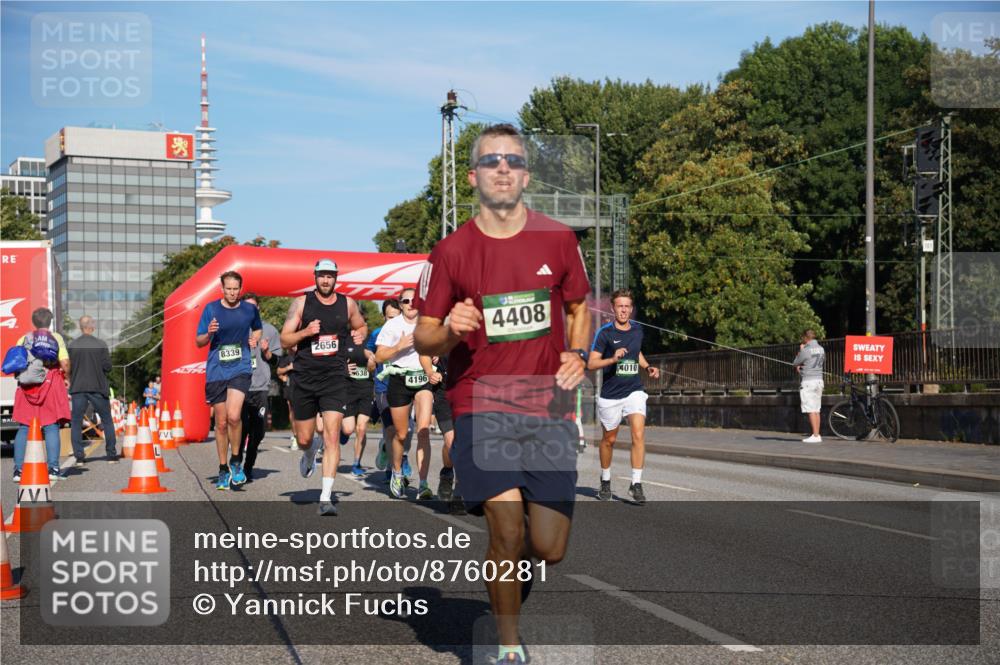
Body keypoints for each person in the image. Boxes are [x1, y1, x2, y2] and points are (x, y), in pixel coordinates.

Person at [414, 123, 591, 665]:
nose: (503, 169)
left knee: (548, 547)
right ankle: (508, 647)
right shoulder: (451, 251)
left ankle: (511, 577)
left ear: (526, 176)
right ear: (473, 176)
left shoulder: (558, 240)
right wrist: (451, 330)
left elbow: (578, 308)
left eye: (513, 160)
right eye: (492, 160)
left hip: (548, 406)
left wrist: (577, 353)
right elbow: (424, 336)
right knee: (507, 529)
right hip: (480, 402)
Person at [280, 258, 367, 516]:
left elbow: (361, 325)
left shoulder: (347, 303)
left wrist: (360, 333)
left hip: (335, 378)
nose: (326, 280)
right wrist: (305, 332)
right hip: (305, 378)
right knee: (304, 439)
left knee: (332, 437)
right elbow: (285, 340)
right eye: (322, 276)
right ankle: (309, 453)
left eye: (330, 276)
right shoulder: (301, 303)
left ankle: (326, 498)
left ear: (336, 277)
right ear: (315, 277)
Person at [588, 290, 660, 505]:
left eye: (627, 306)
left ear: (631, 308)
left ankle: (636, 484)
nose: (623, 310)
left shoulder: (637, 330)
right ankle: (605, 480)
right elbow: (591, 363)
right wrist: (612, 359)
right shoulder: (604, 333)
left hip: (634, 391)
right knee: (609, 440)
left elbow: (637, 352)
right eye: (620, 306)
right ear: (613, 308)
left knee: (638, 434)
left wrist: (647, 367)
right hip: (611, 395)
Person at [195, 271, 262, 490]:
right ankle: (223, 468)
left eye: (235, 289)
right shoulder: (211, 309)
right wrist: (209, 333)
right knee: (221, 423)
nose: (232, 293)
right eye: (228, 289)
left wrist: (254, 338)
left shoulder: (249, 309)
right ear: (222, 288)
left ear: (240, 289)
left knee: (234, 416)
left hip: (240, 367)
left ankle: (236, 461)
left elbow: (258, 328)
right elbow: (199, 341)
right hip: (217, 370)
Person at [375, 288, 437, 500]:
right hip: (399, 380)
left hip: (422, 378)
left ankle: (423, 484)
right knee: (401, 434)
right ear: (400, 304)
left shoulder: (427, 323)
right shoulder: (392, 325)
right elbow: (379, 357)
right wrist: (398, 347)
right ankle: (397, 472)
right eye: (406, 301)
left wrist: (436, 354)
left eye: (414, 300)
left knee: (423, 431)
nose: (411, 304)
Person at [11, 307, 72, 482]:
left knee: (24, 427)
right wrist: (67, 378)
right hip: (49, 383)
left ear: (34, 322)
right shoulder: (56, 338)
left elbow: (17, 361)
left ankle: (19, 470)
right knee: (51, 426)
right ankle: (53, 468)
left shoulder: (24, 338)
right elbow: (65, 363)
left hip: (27, 386)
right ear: (50, 322)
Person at [366, 298, 414, 481]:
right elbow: (369, 351)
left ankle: (396, 452)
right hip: (384, 387)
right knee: (391, 430)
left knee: (407, 429)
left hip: (404, 385)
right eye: (388, 317)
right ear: (383, 317)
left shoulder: (410, 331)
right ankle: (393, 468)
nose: (392, 320)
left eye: (395, 316)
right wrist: (371, 359)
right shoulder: (378, 333)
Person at [237, 294, 282, 483]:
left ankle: (248, 467)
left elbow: (277, 360)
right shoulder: (234, 329)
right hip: (239, 386)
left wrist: (266, 351)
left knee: (258, 432)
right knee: (241, 429)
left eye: (253, 307)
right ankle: (236, 465)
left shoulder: (270, 330)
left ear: (258, 310)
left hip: (261, 388)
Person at [68, 315, 118, 465]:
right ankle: (111, 455)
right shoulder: (101, 344)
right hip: (98, 387)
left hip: (78, 387)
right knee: (107, 420)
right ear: (92, 327)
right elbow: (107, 367)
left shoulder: (72, 345)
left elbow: (68, 367)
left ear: (80, 327)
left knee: (76, 422)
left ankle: (79, 457)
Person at [341, 341, 376, 476]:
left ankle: (356, 463)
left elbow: (379, 362)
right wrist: (344, 368)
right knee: (348, 429)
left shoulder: (371, 343)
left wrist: (372, 362)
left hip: (366, 390)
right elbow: (333, 363)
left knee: (361, 428)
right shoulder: (344, 340)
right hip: (348, 390)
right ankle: (343, 432)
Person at [793, 329, 826, 443]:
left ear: (806, 338)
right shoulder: (821, 349)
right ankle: (817, 434)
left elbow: (796, 362)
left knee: (811, 409)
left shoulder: (806, 350)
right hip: (819, 380)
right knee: (816, 409)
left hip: (809, 382)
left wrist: (801, 350)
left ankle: (815, 435)